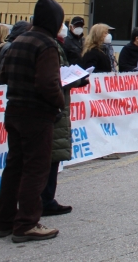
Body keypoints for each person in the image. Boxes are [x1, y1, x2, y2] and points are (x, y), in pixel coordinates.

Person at [0, 0, 66, 242]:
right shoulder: (47, 45)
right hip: (37, 114)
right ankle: (27, 223)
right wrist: (60, 101)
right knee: (36, 169)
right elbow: (48, 83)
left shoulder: (18, 40)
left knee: (14, 167)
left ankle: (4, 220)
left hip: (14, 109)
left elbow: (3, 74)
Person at [42, 25, 90, 217]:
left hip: (43, 109)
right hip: (52, 109)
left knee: (46, 157)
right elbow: (55, 78)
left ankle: (41, 200)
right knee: (50, 156)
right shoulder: (50, 46)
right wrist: (78, 80)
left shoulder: (45, 44)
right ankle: (44, 201)